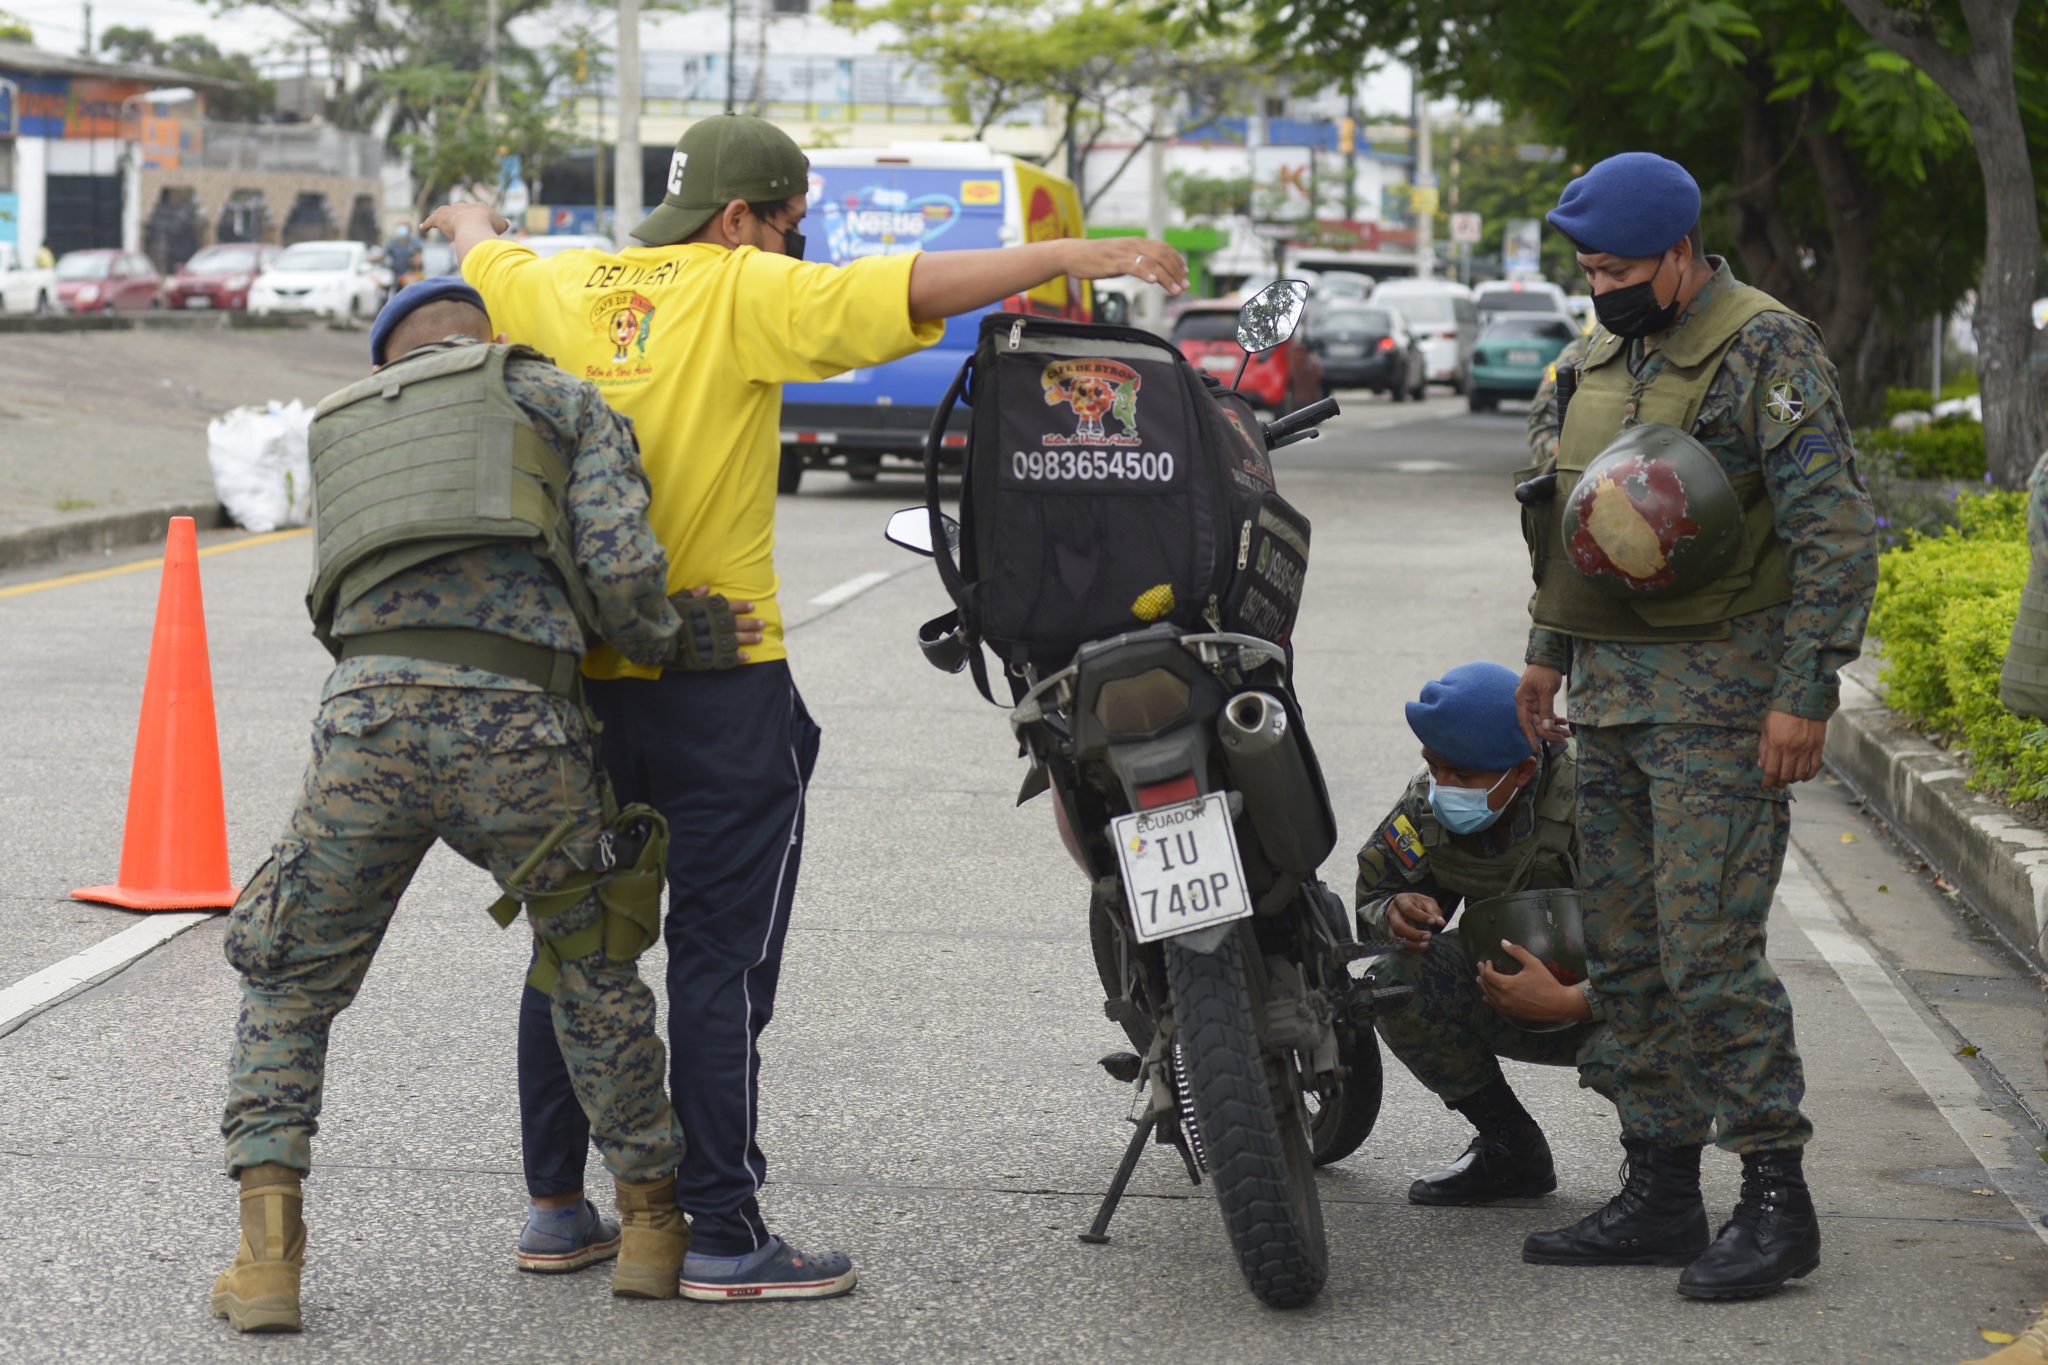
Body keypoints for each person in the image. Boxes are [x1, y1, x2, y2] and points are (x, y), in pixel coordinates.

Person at [423, 113, 1190, 1302]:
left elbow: (484, 249)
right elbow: (910, 283)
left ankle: (556, 1207)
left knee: (575, 945)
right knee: (717, 964)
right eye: (790, 222)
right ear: (740, 218)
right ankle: (722, 1234)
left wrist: (464, 215)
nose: (799, 242)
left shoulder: (561, 285)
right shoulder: (743, 293)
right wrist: (1068, 256)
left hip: (577, 686)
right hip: (718, 688)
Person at [212, 279, 721, 1331]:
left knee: (288, 974)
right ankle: (649, 1227)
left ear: (388, 360)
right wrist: (672, 640)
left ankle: (267, 1264)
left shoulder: (342, 424)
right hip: (524, 728)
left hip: (368, 722)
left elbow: (335, 592)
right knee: (592, 964)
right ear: (481, 340)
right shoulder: (550, 395)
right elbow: (623, 572)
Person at [1514, 152, 1877, 1300]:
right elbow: (1566, 525)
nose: (1600, 286)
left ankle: (1776, 1198)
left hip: (1723, 704)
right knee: (1627, 958)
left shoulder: (1765, 346)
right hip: (1612, 699)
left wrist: (1803, 688)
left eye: (1618, 268)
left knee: (1708, 953)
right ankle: (1660, 1190)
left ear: (1679, 253)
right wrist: (1542, 656)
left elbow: (1831, 528)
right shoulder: (1591, 358)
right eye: (1585, 269)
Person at [1357, 662, 1614, 1206]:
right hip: (1509, 992)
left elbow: (1671, 950)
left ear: (1522, 771)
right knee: (1395, 984)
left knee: (1656, 1038)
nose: (1445, 787)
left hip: (1618, 1003)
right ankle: (1509, 1147)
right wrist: (1395, 913)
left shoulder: (1601, 804)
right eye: (1435, 768)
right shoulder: (1426, 804)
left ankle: (1661, 1180)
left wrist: (1574, 1001)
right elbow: (1373, 896)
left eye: (1465, 777)